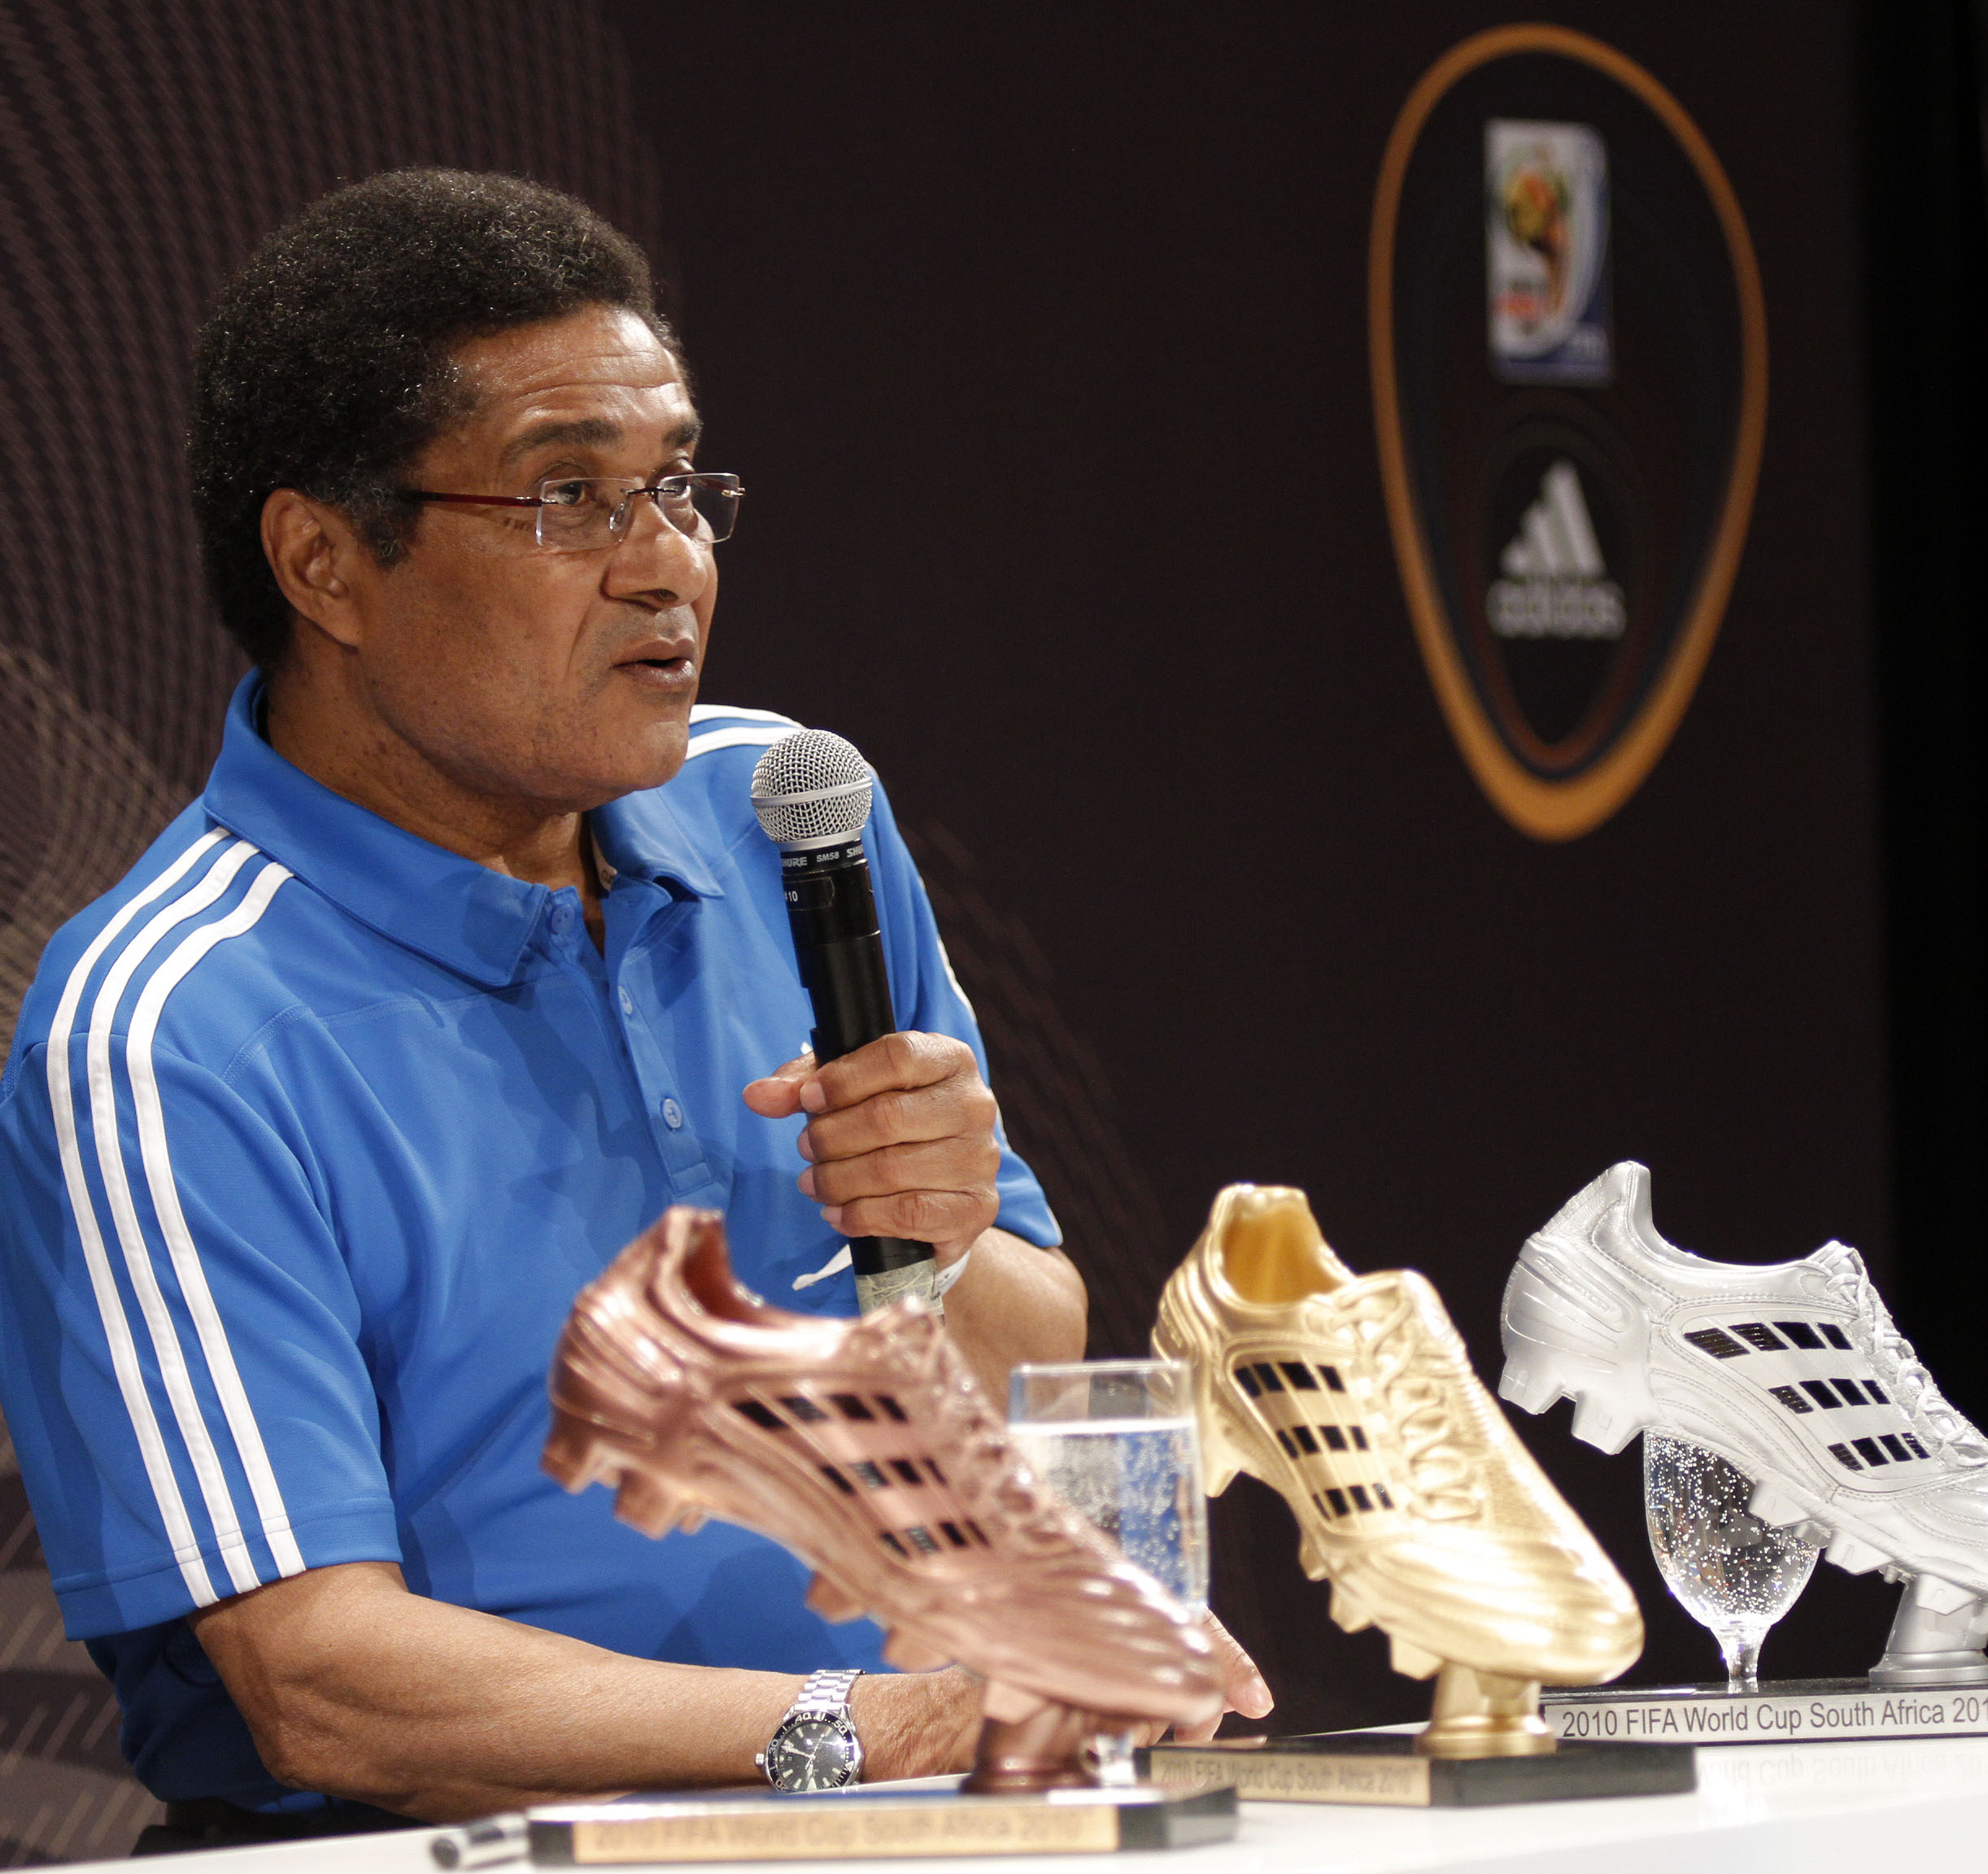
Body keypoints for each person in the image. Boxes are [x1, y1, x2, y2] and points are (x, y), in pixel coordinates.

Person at [0, 170, 1262, 1841]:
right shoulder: (167, 1022)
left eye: (676, 487)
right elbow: (315, 1678)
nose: (665, 565)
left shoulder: (786, 820)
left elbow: (1029, 1365)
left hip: (927, 1820)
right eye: (568, 499)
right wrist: (866, 1730)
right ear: (323, 561)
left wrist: (947, 1239)